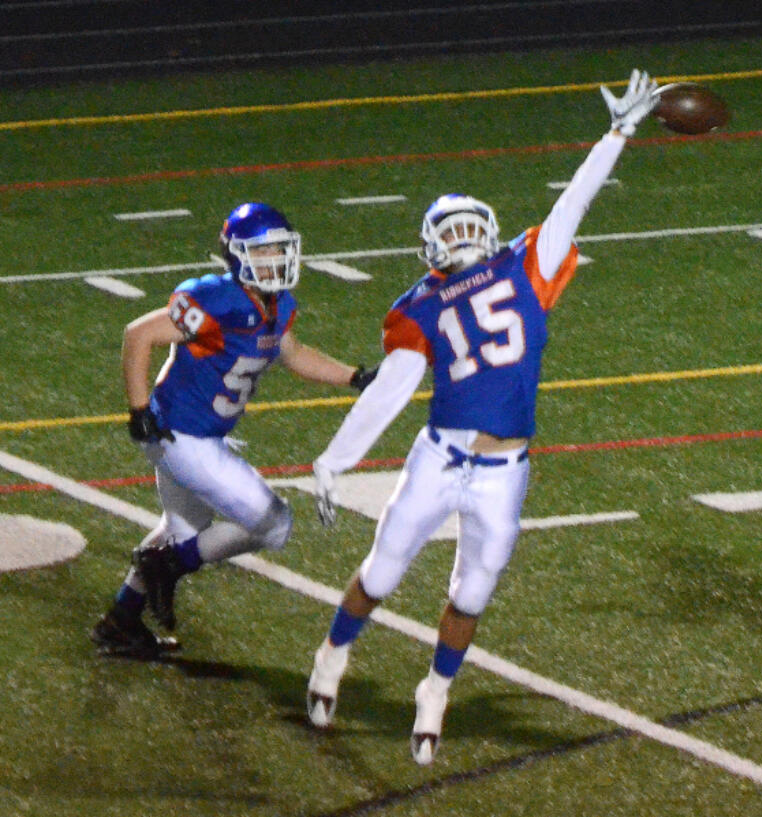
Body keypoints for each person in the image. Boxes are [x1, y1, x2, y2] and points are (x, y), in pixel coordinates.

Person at [304, 69, 659, 763]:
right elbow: (392, 388)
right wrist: (336, 456)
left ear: (490, 230)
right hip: (440, 456)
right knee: (380, 573)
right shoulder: (421, 304)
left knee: (472, 592)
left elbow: (575, 202)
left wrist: (619, 133)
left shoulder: (528, 262)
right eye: (452, 228)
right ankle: (330, 658)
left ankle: (435, 689)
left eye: (472, 224)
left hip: (504, 468)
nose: (465, 235)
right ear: (430, 245)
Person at [89, 202, 377, 659]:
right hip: (179, 434)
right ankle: (170, 565)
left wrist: (354, 377)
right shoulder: (217, 299)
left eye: (281, 250)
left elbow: (293, 354)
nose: (275, 260)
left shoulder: (278, 306)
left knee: (185, 525)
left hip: (194, 433)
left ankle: (121, 621)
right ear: (239, 255)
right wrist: (138, 409)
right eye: (263, 252)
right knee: (274, 524)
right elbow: (137, 334)